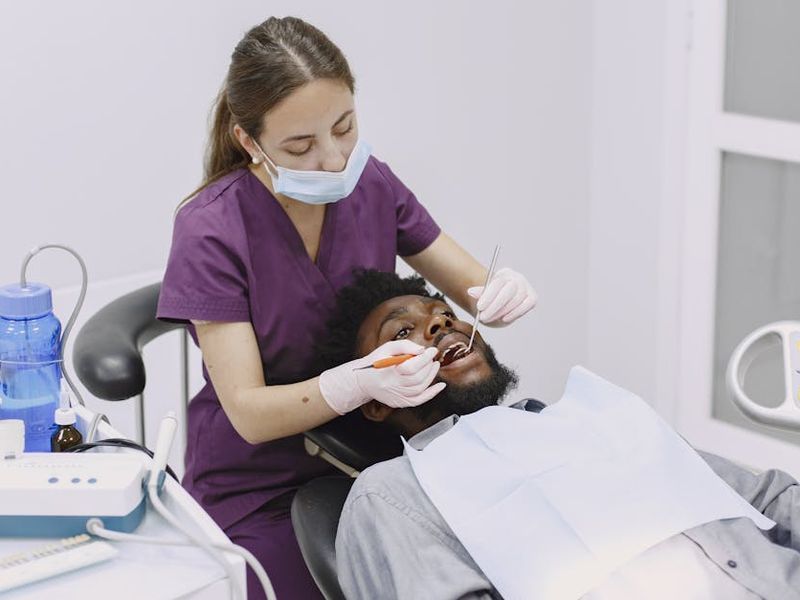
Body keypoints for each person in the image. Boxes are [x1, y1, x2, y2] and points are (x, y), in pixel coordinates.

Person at [156, 16, 538, 599]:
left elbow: (470, 287)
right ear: (250, 142)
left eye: (345, 127)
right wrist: (354, 384)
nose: (334, 159)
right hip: (261, 482)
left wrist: (498, 292)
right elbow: (249, 413)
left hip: (385, 462)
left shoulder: (372, 184)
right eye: (301, 146)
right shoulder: (212, 228)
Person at [317, 269, 800, 600]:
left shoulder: (595, 416)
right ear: (375, 400)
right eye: (402, 333)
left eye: (442, 310)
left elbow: (768, 499)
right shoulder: (391, 496)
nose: (440, 322)